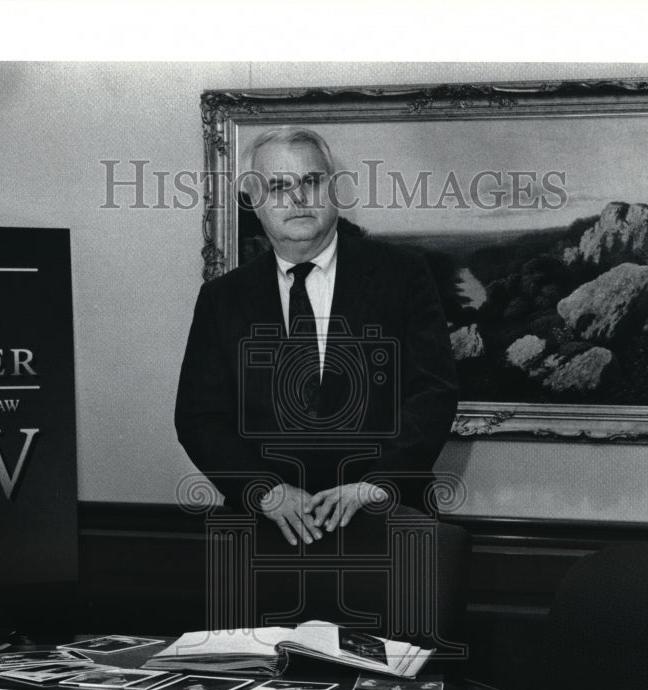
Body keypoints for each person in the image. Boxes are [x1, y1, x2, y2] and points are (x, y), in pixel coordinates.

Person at [175, 127, 458, 629]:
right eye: (277, 186)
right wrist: (266, 490)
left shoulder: (402, 275)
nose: (298, 198)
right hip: (262, 542)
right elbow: (199, 418)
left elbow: (431, 394)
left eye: (311, 181)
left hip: (387, 534)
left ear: (334, 188)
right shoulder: (223, 298)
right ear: (253, 200)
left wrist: (374, 486)